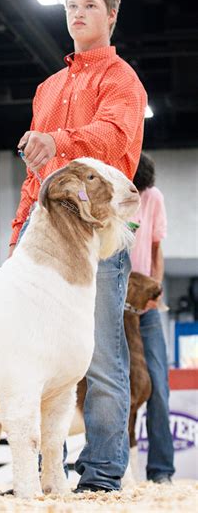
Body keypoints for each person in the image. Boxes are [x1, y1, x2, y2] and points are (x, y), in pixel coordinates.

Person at [10, 0, 147, 492]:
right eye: (71, 6)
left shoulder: (122, 80)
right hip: (41, 240)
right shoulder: (47, 88)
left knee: (101, 353)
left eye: (89, 6)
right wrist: (20, 232)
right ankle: (45, 475)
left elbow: (114, 140)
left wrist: (57, 138)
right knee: (32, 352)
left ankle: (104, 474)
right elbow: (35, 174)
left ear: (111, 16)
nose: (77, 14)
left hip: (97, 237)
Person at [130, 152, 175, 484]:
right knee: (115, 386)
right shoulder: (109, 192)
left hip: (145, 310)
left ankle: (161, 470)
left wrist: (155, 292)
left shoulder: (152, 197)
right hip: (113, 309)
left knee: (158, 386)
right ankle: (113, 467)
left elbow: (156, 248)